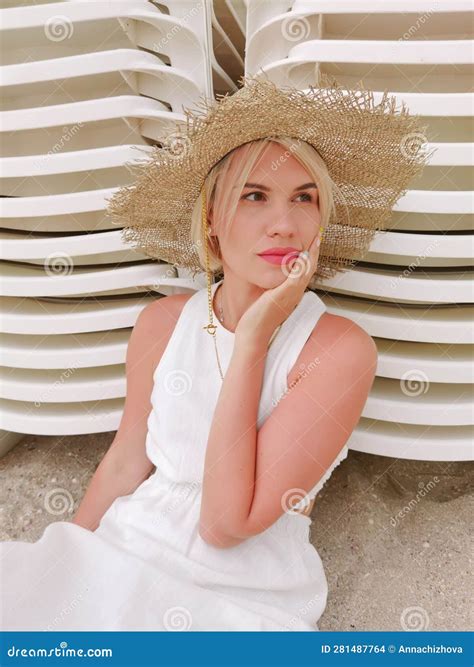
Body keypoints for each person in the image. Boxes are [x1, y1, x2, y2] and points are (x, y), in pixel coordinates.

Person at [0, 74, 431, 631]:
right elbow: (128, 460)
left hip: (239, 588)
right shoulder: (162, 323)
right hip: (128, 543)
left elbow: (226, 525)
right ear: (211, 218)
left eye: (306, 198)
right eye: (255, 195)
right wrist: (62, 565)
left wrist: (253, 336)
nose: (285, 223)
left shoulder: (339, 351)